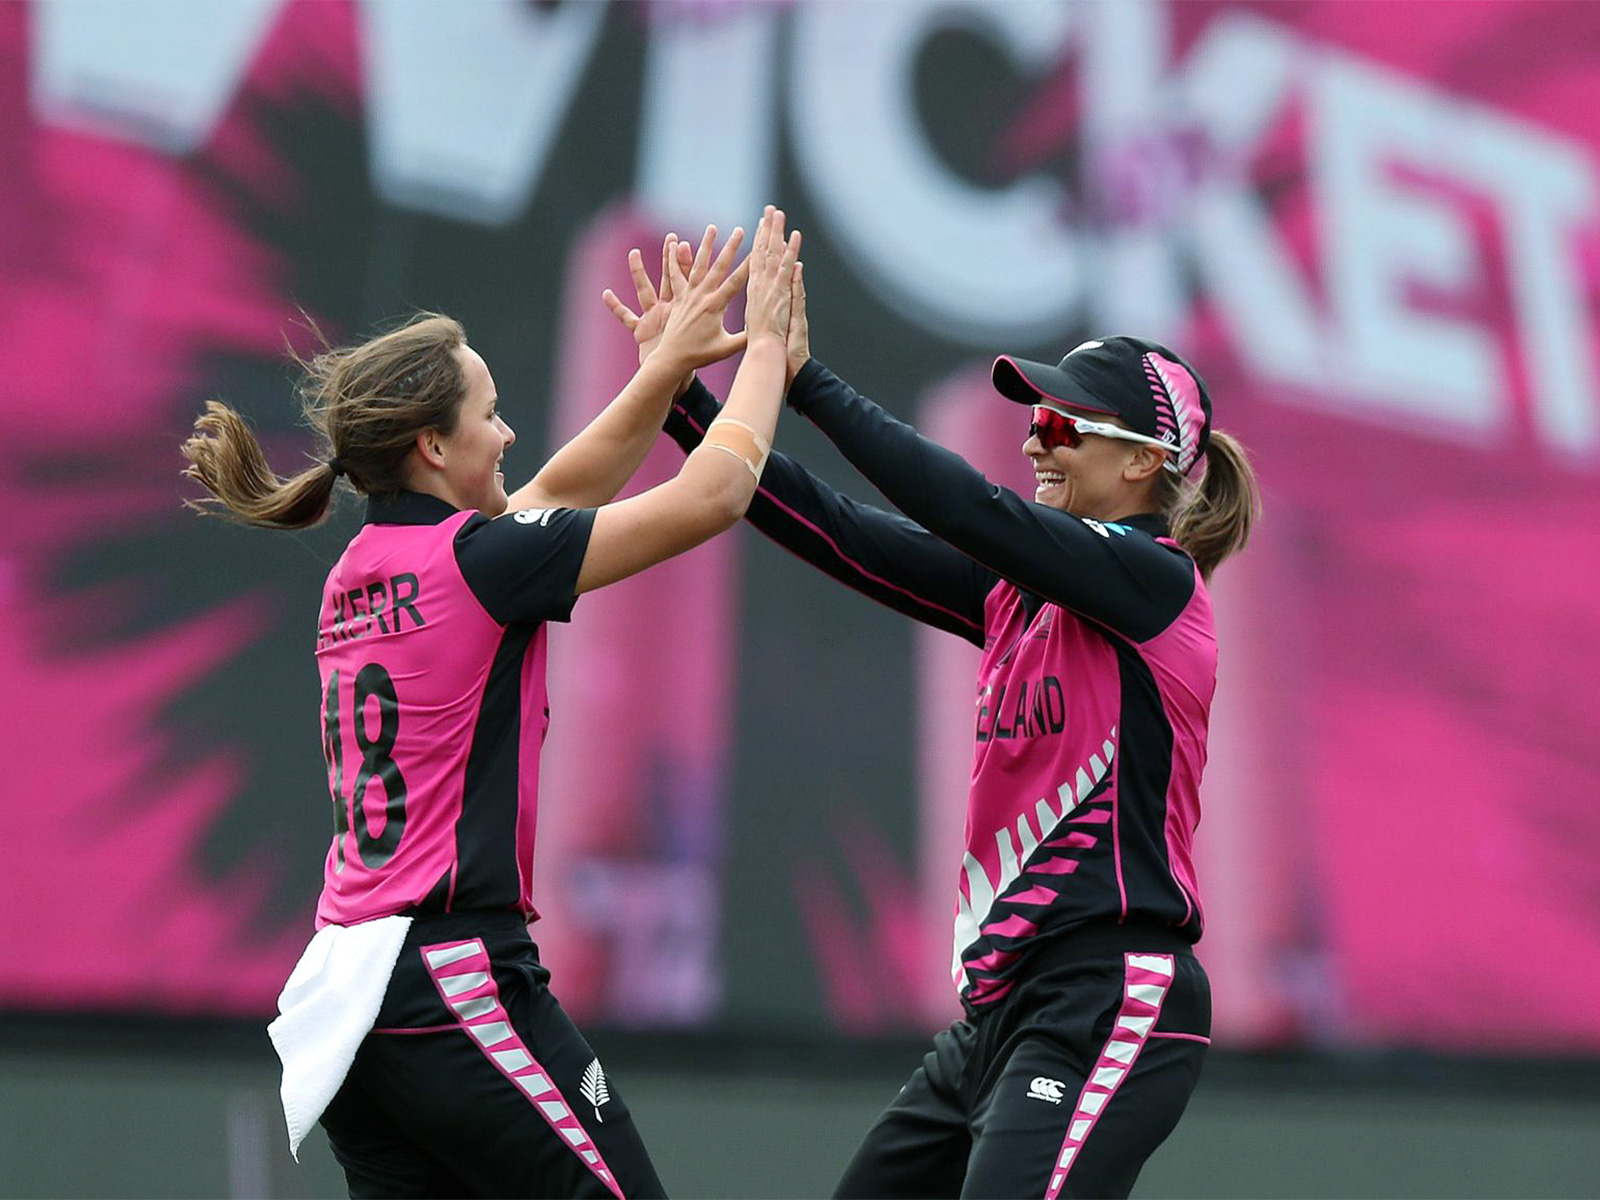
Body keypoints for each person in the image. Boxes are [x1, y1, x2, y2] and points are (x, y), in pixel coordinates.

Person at [609, 238, 1259, 1198]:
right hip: (998, 1015)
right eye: (1039, 417)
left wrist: (806, 380)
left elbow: (965, 507)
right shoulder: (1020, 593)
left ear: (1141, 466)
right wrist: (683, 399)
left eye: (1066, 424)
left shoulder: (1153, 581)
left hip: (1110, 996)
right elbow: (833, 529)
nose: (1037, 438)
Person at [181, 209, 803, 1199]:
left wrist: (664, 372)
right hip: (453, 978)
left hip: (353, 1009)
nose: (508, 432)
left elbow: (559, 489)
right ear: (431, 445)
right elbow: (714, 495)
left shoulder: (359, 568)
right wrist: (767, 347)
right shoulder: (482, 560)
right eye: (488, 413)